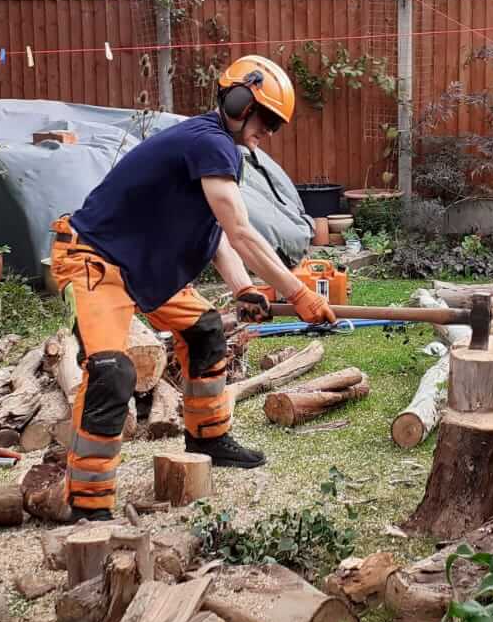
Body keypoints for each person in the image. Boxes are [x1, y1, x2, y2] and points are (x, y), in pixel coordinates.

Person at [48, 56, 337, 521]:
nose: (269, 132)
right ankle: (88, 501)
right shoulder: (211, 143)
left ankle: (208, 438)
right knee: (112, 371)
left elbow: (216, 230)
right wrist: (297, 293)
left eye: (276, 125)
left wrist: (242, 287)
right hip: (95, 261)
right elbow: (242, 231)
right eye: (266, 120)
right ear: (240, 102)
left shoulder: (216, 147)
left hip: (146, 268)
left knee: (204, 330)